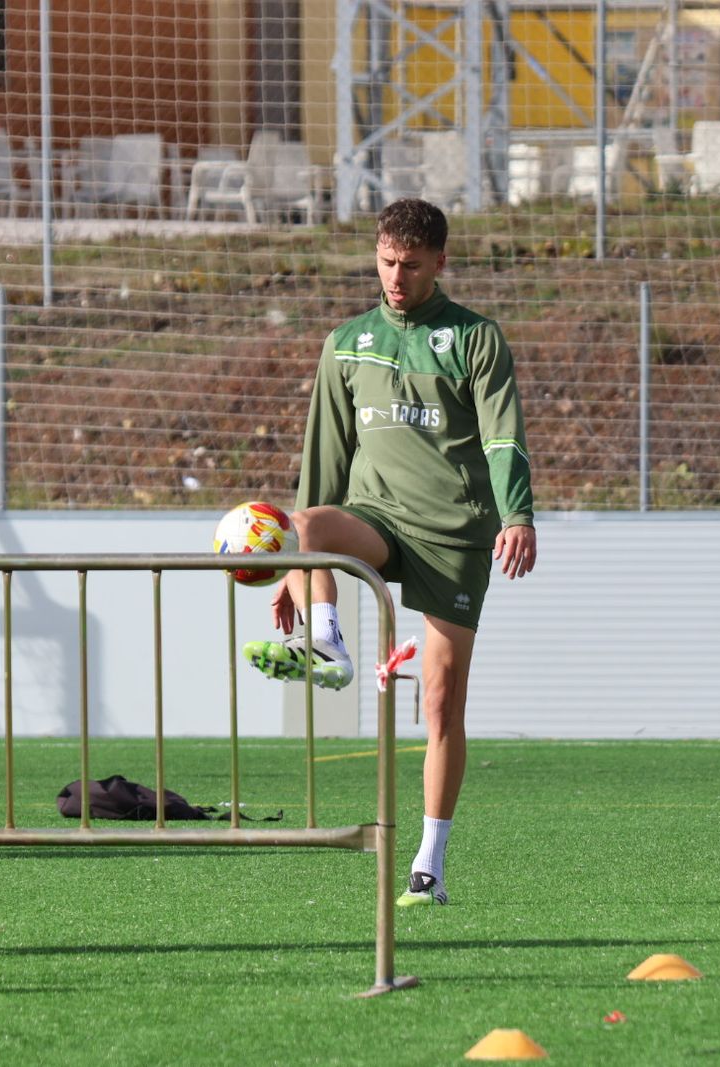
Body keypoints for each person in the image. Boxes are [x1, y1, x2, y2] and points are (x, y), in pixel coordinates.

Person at [244, 198, 536, 907]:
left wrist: (518, 512)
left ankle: (429, 863)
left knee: (439, 701)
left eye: (409, 264)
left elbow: (502, 435)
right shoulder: (347, 342)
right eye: (385, 261)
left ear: (439, 262)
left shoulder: (474, 338)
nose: (395, 277)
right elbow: (323, 462)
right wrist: (293, 567)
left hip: (455, 531)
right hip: (377, 516)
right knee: (305, 520)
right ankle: (329, 644)